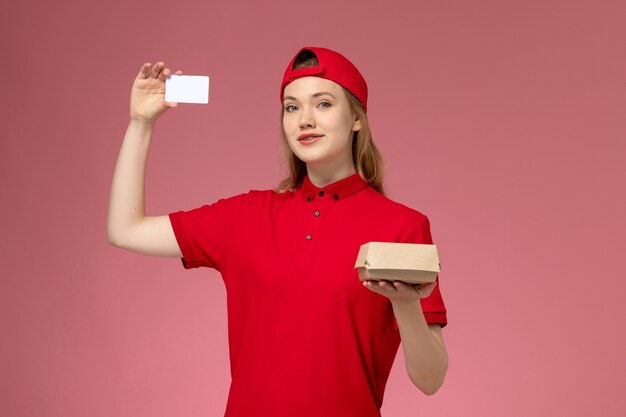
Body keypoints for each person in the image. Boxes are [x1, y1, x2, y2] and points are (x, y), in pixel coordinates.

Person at [107, 46, 448, 417]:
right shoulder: (245, 216)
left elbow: (430, 380)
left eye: (323, 104)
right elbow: (125, 229)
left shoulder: (402, 226)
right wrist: (141, 124)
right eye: (291, 106)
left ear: (356, 118)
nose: (304, 120)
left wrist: (404, 303)